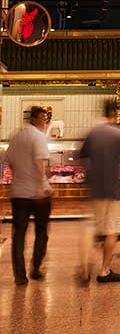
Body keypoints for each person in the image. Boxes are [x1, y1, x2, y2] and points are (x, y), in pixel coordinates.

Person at [79, 100, 120, 284]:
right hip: (113, 190)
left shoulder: (93, 132)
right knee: (111, 231)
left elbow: (83, 158)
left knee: (93, 227)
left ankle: (85, 263)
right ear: (116, 114)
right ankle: (104, 270)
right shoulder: (119, 134)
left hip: (95, 189)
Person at [5, 105, 52, 285]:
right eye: (43, 119)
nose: (45, 122)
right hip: (38, 193)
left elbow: (9, 163)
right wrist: (40, 186)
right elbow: (40, 163)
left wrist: (21, 176)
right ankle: (36, 269)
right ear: (35, 119)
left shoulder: (16, 136)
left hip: (18, 192)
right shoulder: (38, 136)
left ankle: (20, 276)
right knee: (41, 231)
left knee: (19, 234)